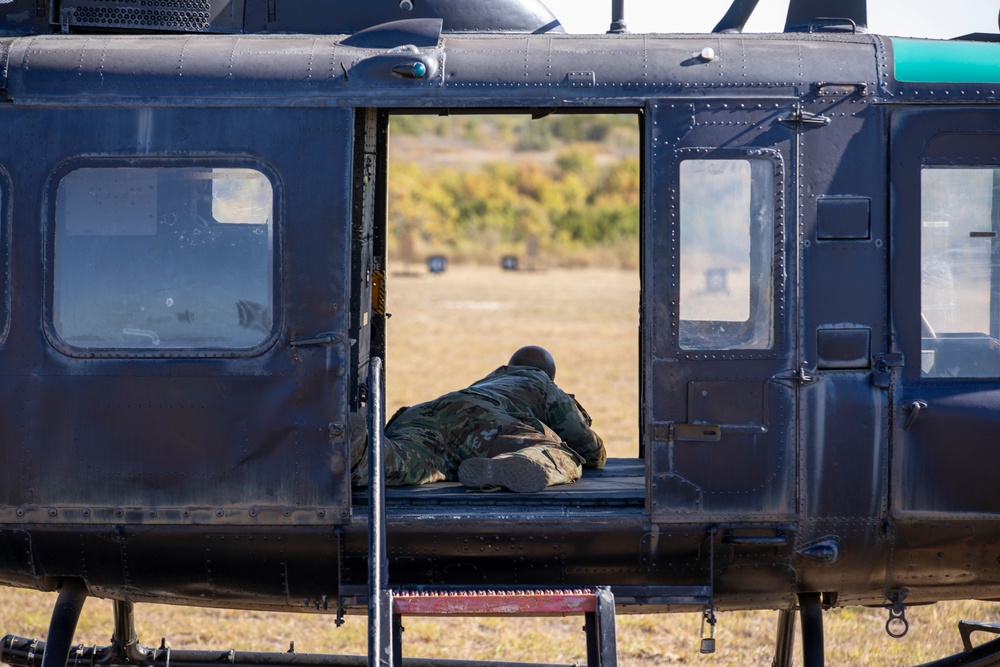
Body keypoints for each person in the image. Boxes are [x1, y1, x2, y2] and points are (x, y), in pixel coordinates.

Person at [350, 345, 605, 493]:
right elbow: (586, 447)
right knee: (560, 453)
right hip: (480, 422)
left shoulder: (492, 380)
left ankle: (361, 452)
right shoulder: (540, 381)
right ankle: (516, 462)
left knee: (407, 460)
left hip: (420, 415)